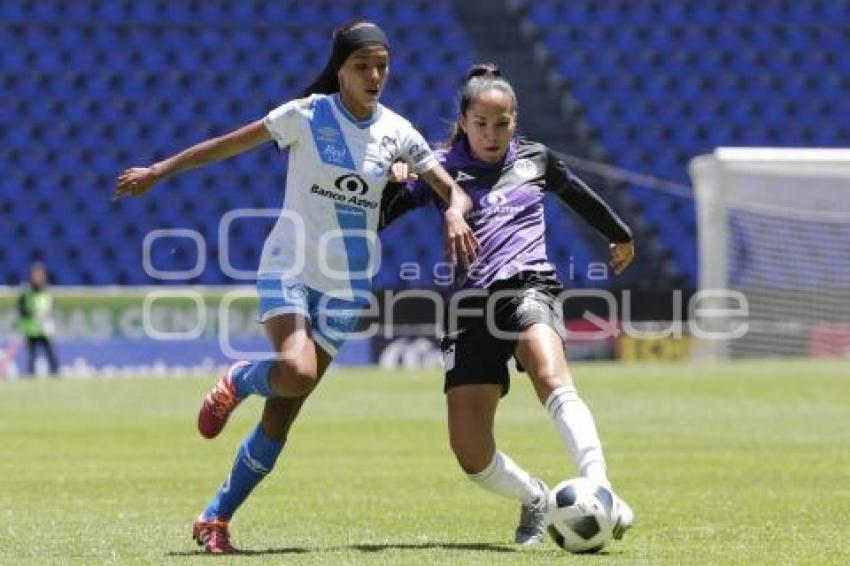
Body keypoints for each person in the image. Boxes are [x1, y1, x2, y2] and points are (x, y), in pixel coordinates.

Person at [114, 20, 478, 554]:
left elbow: (452, 190)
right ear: (340, 69)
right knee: (296, 370)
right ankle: (236, 381)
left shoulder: (399, 132)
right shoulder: (306, 116)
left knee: (287, 406)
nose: (375, 75)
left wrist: (455, 214)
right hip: (290, 267)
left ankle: (215, 519)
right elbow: (226, 145)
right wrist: (160, 170)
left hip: (350, 287)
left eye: (382, 66)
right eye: (362, 66)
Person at [379, 63, 636, 545]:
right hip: (469, 309)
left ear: (516, 120)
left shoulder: (536, 160)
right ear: (464, 120)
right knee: (471, 453)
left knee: (549, 371)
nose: (492, 134)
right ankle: (535, 496)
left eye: (503, 123)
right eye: (481, 124)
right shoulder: (439, 169)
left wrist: (618, 233)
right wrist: (393, 181)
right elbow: (379, 219)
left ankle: (600, 488)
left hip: (528, 286)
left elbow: (576, 193)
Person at [17, 263, 59, 377]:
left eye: (40, 275)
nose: (38, 278)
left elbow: (51, 308)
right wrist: (33, 314)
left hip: (44, 328)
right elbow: (21, 310)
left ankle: (56, 375)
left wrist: (47, 317)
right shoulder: (26, 293)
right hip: (31, 329)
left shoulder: (47, 292)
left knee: (50, 353)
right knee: (32, 355)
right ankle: (32, 376)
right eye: (36, 275)